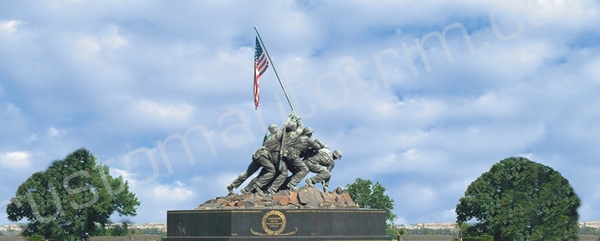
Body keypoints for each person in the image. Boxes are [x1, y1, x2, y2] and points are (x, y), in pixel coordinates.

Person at [226, 124, 279, 195]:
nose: (277, 129)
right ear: (274, 129)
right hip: (264, 156)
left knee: (248, 172)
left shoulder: (267, 137)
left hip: (257, 155)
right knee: (272, 171)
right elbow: (285, 128)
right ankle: (257, 185)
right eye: (276, 128)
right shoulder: (276, 136)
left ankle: (232, 185)